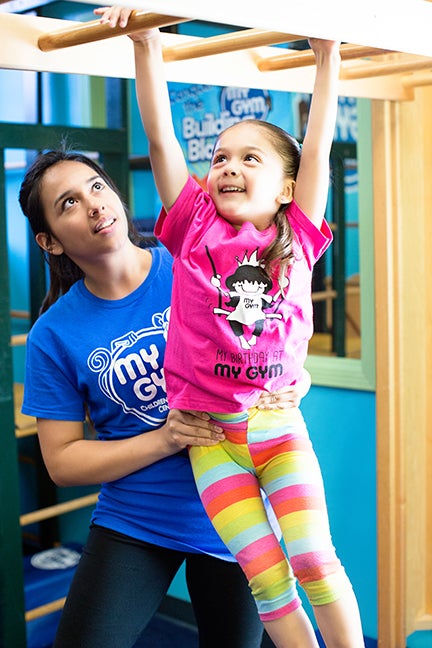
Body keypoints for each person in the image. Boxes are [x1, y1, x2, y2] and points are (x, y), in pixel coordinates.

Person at [95, 6, 365, 648]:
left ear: (286, 189)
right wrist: (146, 44)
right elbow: (162, 140)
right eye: (219, 157)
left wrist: (327, 54)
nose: (228, 167)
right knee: (268, 582)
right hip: (212, 440)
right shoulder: (193, 226)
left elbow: (318, 148)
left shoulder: (296, 233)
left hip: (277, 428)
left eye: (250, 158)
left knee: (314, 561)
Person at [19, 149, 310, 648]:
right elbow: (62, 462)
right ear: (50, 241)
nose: (93, 204)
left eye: (96, 187)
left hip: (238, 512)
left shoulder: (194, 261)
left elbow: (272, 340)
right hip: (136, 518)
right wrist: (166, 438)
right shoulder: (53, 335)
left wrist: (292, 379)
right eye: (68, 202)